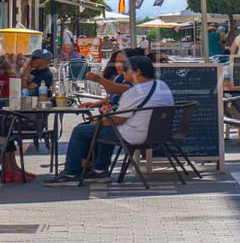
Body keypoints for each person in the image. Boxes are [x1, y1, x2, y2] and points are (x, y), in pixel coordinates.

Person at [45, 55, 174, 185]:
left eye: (126, 70)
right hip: (158, 134)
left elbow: (117, 120)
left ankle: (71, 173)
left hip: (135, 134)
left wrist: (97, 121)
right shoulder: (162, 85)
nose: (124, 73)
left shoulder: (136, 92)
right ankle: (100, 170)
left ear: (137, 72)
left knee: (80, 130)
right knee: (103, 129)